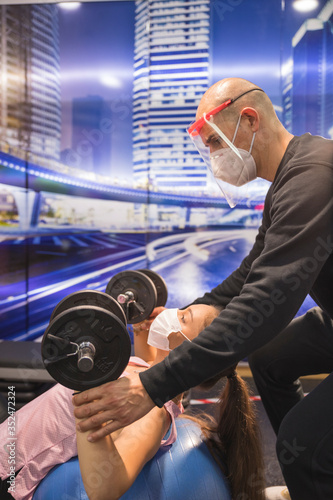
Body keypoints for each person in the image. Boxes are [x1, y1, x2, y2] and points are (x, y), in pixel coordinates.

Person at [72, 78, 333, 500]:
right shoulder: (288, 181)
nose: (212, 157)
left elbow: (267, 299)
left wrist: (152, 386)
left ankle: (312, 463)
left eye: (214, 142)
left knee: (302, 445)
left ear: (249, 120)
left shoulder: (315, 175)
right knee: (270, 358)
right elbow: (250, 274)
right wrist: (180, 316)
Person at [0, 304, 266, 500]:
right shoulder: (148, 376)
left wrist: (88, 395)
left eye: (183, 317)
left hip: (10, 472)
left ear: (189, 352)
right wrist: (141, 329)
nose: (172, 311)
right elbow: (146, 363)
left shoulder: (154, 412)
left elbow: (106, 488)